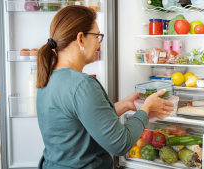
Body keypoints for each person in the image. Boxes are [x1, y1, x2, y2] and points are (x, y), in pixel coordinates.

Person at [36, 5, 174, 169]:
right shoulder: (82, 85)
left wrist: (125, 105)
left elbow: (82, 122)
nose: (98, 44)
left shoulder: (48, 77)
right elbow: (120, 144)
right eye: (97, 36)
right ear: (81, 38)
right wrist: (146, 109)